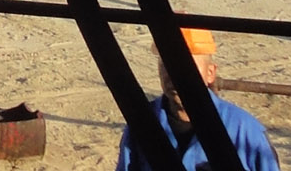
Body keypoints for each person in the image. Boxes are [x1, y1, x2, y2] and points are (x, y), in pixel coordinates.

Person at [115, 27, 280, 171]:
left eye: (186, 65)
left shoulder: (244, 131)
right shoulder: (142, 125)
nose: (174, 74)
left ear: (210, 73)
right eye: (166, 64)